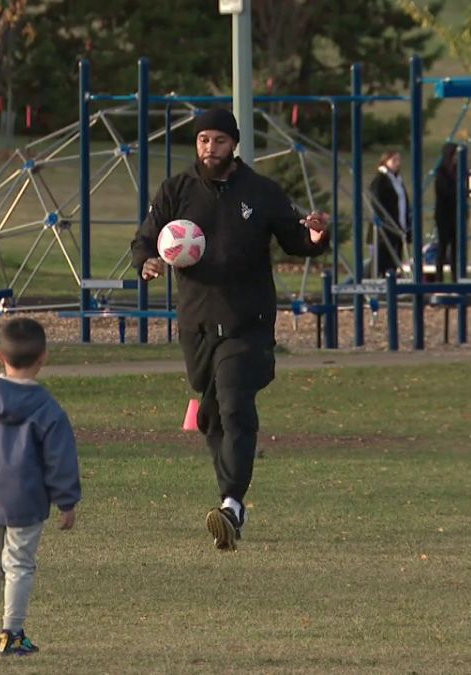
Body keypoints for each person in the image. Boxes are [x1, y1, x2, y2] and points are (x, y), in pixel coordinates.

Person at [129, 108, 330, 552]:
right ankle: (229, 501)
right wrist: (146, 261)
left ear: (234, 143)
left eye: (219, 140)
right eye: (203, 140)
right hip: (197, 322)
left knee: (236, 405)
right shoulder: (176, 191)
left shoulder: (261, 191)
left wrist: (315, 237)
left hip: (247, 322)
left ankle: (232, 504)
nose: (210, 148)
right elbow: (146, 238)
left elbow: (295, 237)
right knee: (210, 414)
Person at [0, 317, 80, 655]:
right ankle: (12, 633)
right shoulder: (48, 409)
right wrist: (66, 501)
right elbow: (60, 458)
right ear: (44, 358)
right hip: (26, 499)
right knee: (19, 564)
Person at [368, 150, 410, 278]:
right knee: (380, 262)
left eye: (399, 160)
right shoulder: (380, 180)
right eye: (394, 160)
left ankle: (390, 287)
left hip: (399, 227)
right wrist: (386, 221)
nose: (397, 163)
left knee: (394, 262)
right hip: (384, 230)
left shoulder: (397, 180)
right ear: (385, 162)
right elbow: (376, 203)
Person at [433, 142, 460, 282]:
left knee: (456, 249)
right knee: (442, 248)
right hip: (444, 215)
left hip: (456, 215)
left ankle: (456, 278)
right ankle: (439, 279)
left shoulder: (458, 170)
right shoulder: (441, 172)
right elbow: (448, 191)